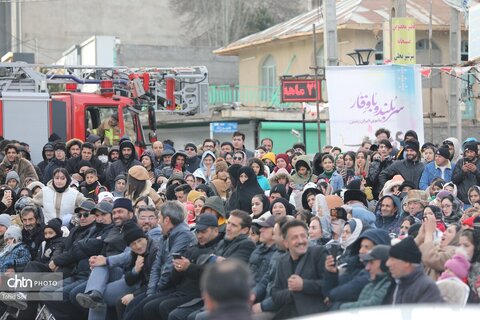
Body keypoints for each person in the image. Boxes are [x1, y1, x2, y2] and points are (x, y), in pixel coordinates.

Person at [272, 219, 328, 318]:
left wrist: (303, 285)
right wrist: (293, 291)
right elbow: (275, 294)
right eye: (295, 237)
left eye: (303, 236)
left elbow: (329, 285)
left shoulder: (318, 254)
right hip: (288, 313)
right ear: (286, 243)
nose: (301, 241)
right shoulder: (282, 261)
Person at [386, 236, 443, 304]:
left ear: (406, 262)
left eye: (392, 259)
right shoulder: (396, 283)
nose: (387, 264)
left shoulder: (425, 287)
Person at [340, 244, 394, 309]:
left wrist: (341, 308)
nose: (367, 268)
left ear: (384, 265)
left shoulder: (389, 285)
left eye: (371, 263)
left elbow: (373, 304)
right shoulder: (369, 285)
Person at [451, 142, 480, 206]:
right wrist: (462, 172)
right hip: (463, 201)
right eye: (467, 152)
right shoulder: (460, 162)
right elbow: (454, 180)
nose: (469, 154)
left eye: (471, 152)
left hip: (478, 201)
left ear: (476, 152)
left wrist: (476, 172)